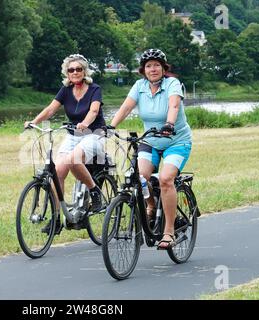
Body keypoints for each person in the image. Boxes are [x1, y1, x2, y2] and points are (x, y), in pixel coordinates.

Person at [109, 49, 192, 249]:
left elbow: (173, 105)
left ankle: (169, 231)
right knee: (141, 176)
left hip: (176, 141)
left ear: (164, 68)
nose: (152, 69)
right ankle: (151, 204)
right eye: (148, 66)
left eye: (156, 65)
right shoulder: (140, 86)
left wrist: (170, 124)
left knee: (165, 179)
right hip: (151, 141)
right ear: (143, 70)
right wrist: (110, 126)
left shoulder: (172, 83)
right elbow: (126, 107)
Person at [24, 54, 106, 233]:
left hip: (94, 134)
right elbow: (51, 109)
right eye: (71, 70)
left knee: (73, 159)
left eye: (78, 69)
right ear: (67, 73)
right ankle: (56, 219)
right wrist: (34, 122)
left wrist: (85, 123)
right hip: (73, 135)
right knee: (58, 171)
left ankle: (94, 191)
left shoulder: (94, 89)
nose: (75, 72)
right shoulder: (66, 90)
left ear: (84, 71)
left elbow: (94, 111)